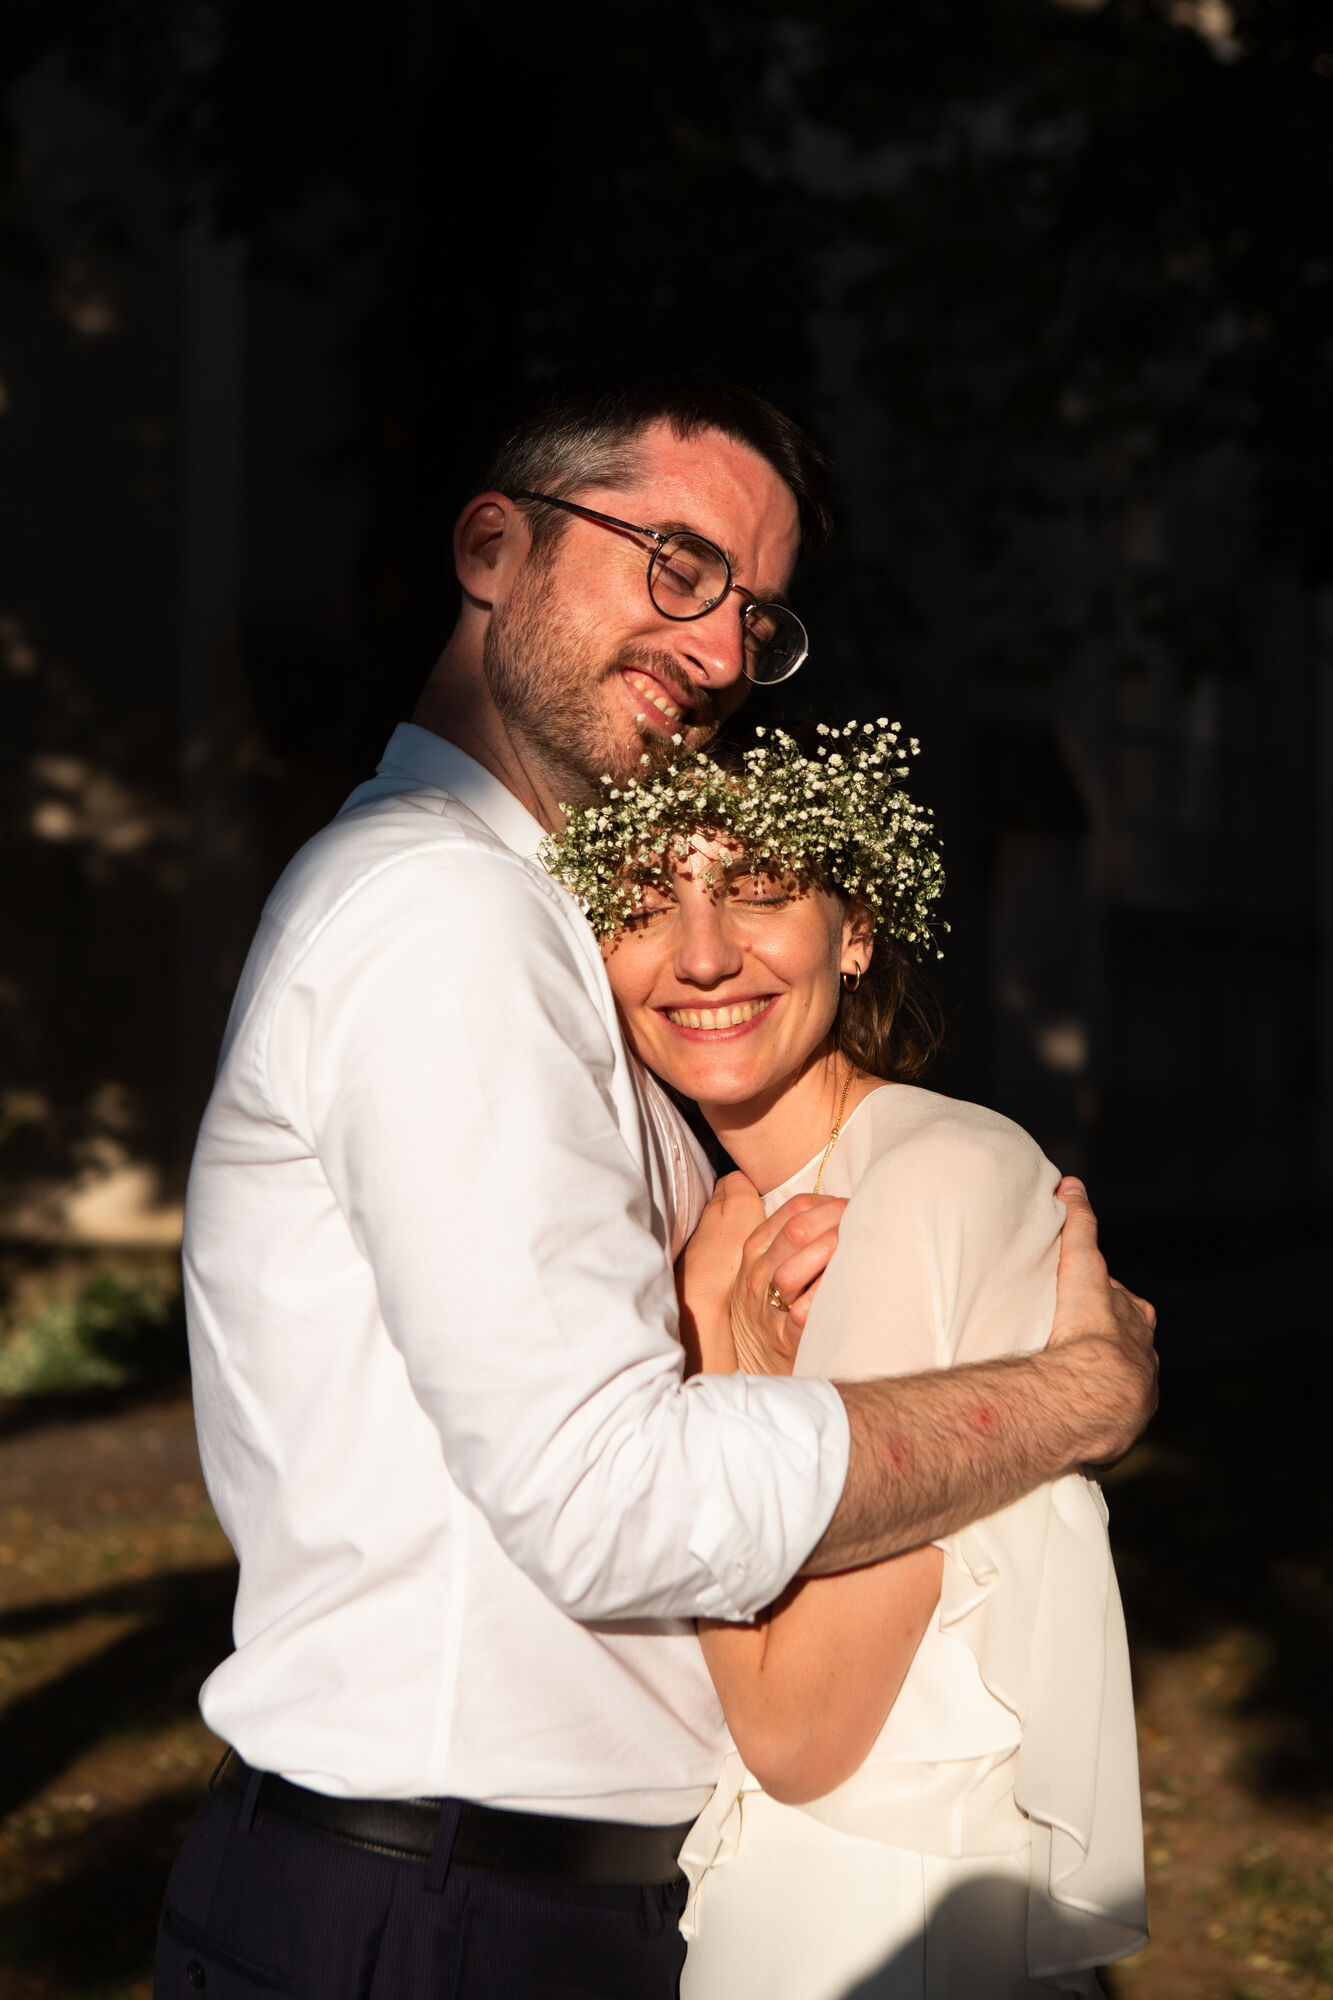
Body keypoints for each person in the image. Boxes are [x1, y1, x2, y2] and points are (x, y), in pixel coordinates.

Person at [155, 372, 1156, 2000]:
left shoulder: (550, 941)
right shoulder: (445, 916)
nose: (715, 649)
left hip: (513, 1902)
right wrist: (1067, 1400)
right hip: (439, 1913)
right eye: (677, 564)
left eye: (754, 615)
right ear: (494, 550)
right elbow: (606, 1497)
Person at [547, 719, 1148, 1996]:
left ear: (856, 930)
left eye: (760, 890)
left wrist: (714, 1345)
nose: (702, 952)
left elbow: (798, 1725)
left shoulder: (924, 1180)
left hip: (870, 1901)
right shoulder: (718, 1204)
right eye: (646, 901)